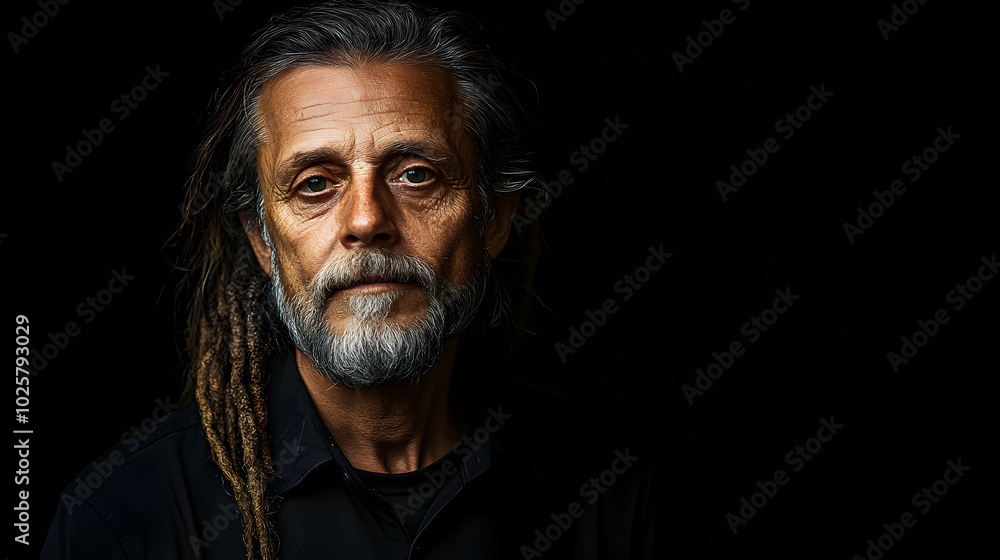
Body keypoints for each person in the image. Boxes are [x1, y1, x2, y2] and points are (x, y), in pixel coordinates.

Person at [41, 1, 658, 558]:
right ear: (262, 240)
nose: (366, 220)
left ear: (492, 222)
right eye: (315, 184)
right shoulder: (124, 520)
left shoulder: (605, 490)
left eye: (415, 174)